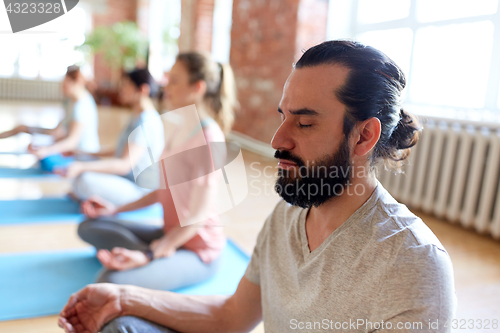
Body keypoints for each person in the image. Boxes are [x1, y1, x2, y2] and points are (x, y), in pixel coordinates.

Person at [59, 41, 456, 333]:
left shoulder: (414, 265)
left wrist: (147, 259)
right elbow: (232, 317)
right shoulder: (288, 215)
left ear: (364, 137)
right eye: (283, 116)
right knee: (119, 321)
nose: (277, 140)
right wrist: (126, 297)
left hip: (192, 247)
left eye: (304, 123)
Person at [74, 52, 238, 291]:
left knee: (109, 282)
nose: (165, 85)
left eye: (174, 80)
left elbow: (197, 217)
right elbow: (163, 191)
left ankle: (152, 256)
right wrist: (115, 209)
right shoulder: (178, 128)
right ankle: (155, 253)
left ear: (197, 87)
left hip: (198, 250)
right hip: (168, 233)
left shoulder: (208, 139)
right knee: (90, 226)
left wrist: (149, 256)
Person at [58, 68, 165, 206]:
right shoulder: (137, 116)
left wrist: (82, 167)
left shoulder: (146, 121)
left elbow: (124, 165)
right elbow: (118, 150)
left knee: (85, 180)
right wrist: (81, 152)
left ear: (142, 90)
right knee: (82, 173)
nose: (122, 89)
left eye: (126, 85)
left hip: (139, 191)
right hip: (124, 179)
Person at [0, 65, 100, 171]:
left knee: (46, 158)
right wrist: (29, 131)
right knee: (37, 147)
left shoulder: (82, 106)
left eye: (64, 85)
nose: (61, 88)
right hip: (71, 152)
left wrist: (47, 150)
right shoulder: (71, 101)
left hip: (82, 157)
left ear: (74, 83)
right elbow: (57, 132)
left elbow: (72, 142)